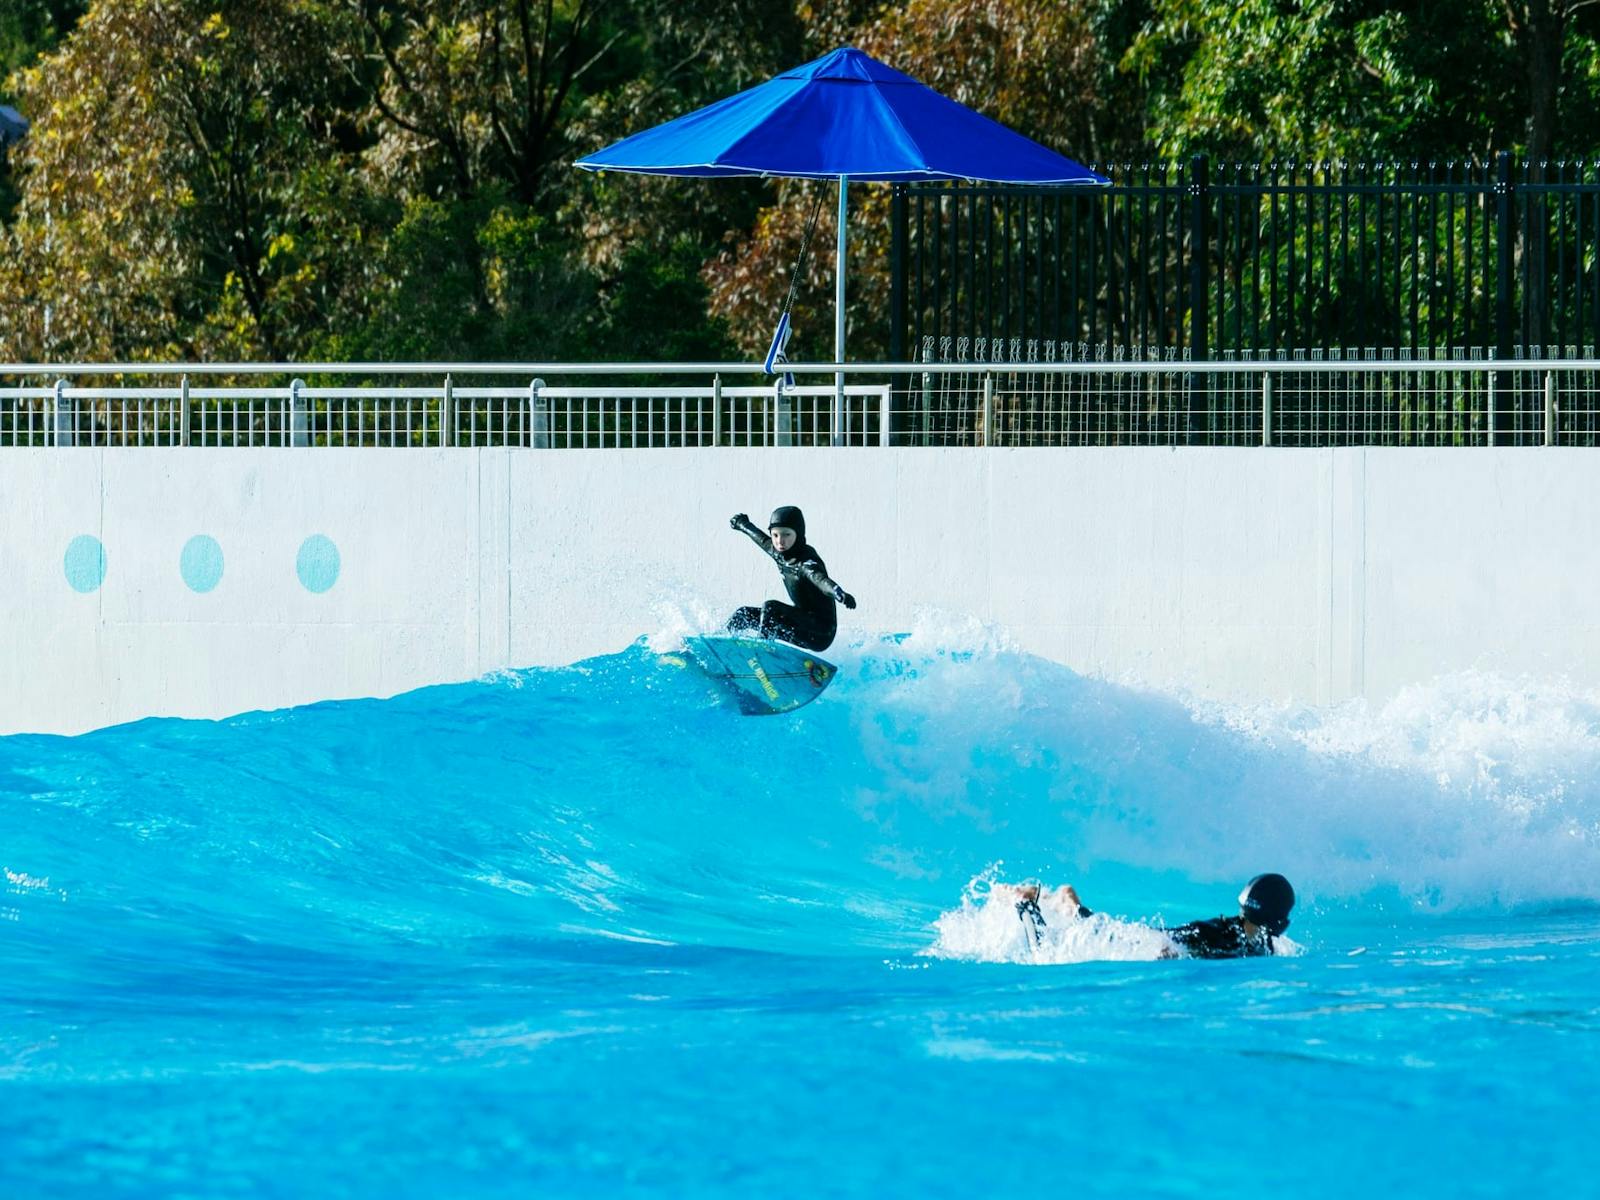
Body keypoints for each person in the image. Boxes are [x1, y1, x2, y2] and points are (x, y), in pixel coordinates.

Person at [1000, 873, 1296, 959]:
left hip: (1147, 937)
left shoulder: (1258, 944)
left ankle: (1066, 897)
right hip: (1143, 942)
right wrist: (1168, 954)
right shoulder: (1222, 934)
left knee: (1084, 919)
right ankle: (1024, 902)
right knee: (1043, 952)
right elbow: (1178, 942)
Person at [726, 506, 856, 652]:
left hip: (820, 633)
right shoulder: (779, 553)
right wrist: (743, 524)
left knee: (770, 607)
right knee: (743, 615)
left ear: (798, 534)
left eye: (786, 534)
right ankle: (722, 649)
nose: (780, 541)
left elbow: (820, 579)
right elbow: (761, 539)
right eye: (775, 535)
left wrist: (838, 592)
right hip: (799, 623)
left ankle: (763, 653)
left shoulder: (806, 562)